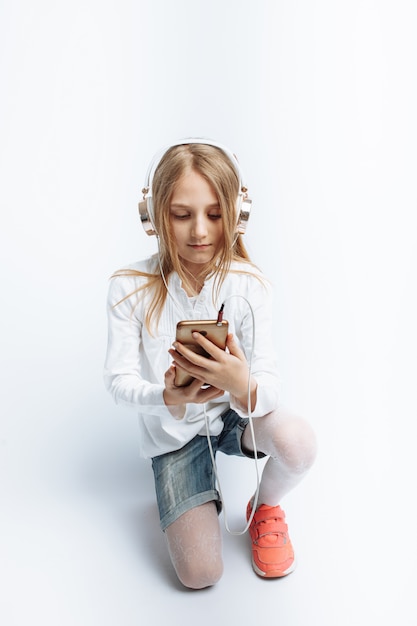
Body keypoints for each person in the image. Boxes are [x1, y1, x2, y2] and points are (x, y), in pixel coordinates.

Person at [104, 139, 317, 589]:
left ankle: (264, 507)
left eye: (215, 214)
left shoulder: (251, 286)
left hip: (234, 417)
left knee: (298, 442)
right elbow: (118, 381)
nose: (199, 231)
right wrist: (167, 397)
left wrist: (243, 386)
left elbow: (270, 385)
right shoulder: (129, 287)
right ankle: (193, 488)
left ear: (237, 216)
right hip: (174, 433)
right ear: (153, 217)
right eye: (182, 215)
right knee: (200, 575)